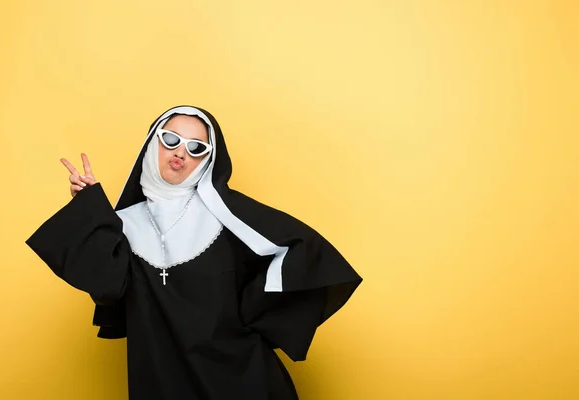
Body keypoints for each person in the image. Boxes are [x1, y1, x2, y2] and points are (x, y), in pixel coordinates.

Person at [26, 105, 362, 400]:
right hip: (160, 379)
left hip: (239, 377)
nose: (180, 152)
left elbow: (306, 253)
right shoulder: (121, 225)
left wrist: (247, 316)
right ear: (152, 143)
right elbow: (108, 289)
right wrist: (89, 211)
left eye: (196, 147)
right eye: (170, 139)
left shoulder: (228, 216)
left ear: (207, 160)